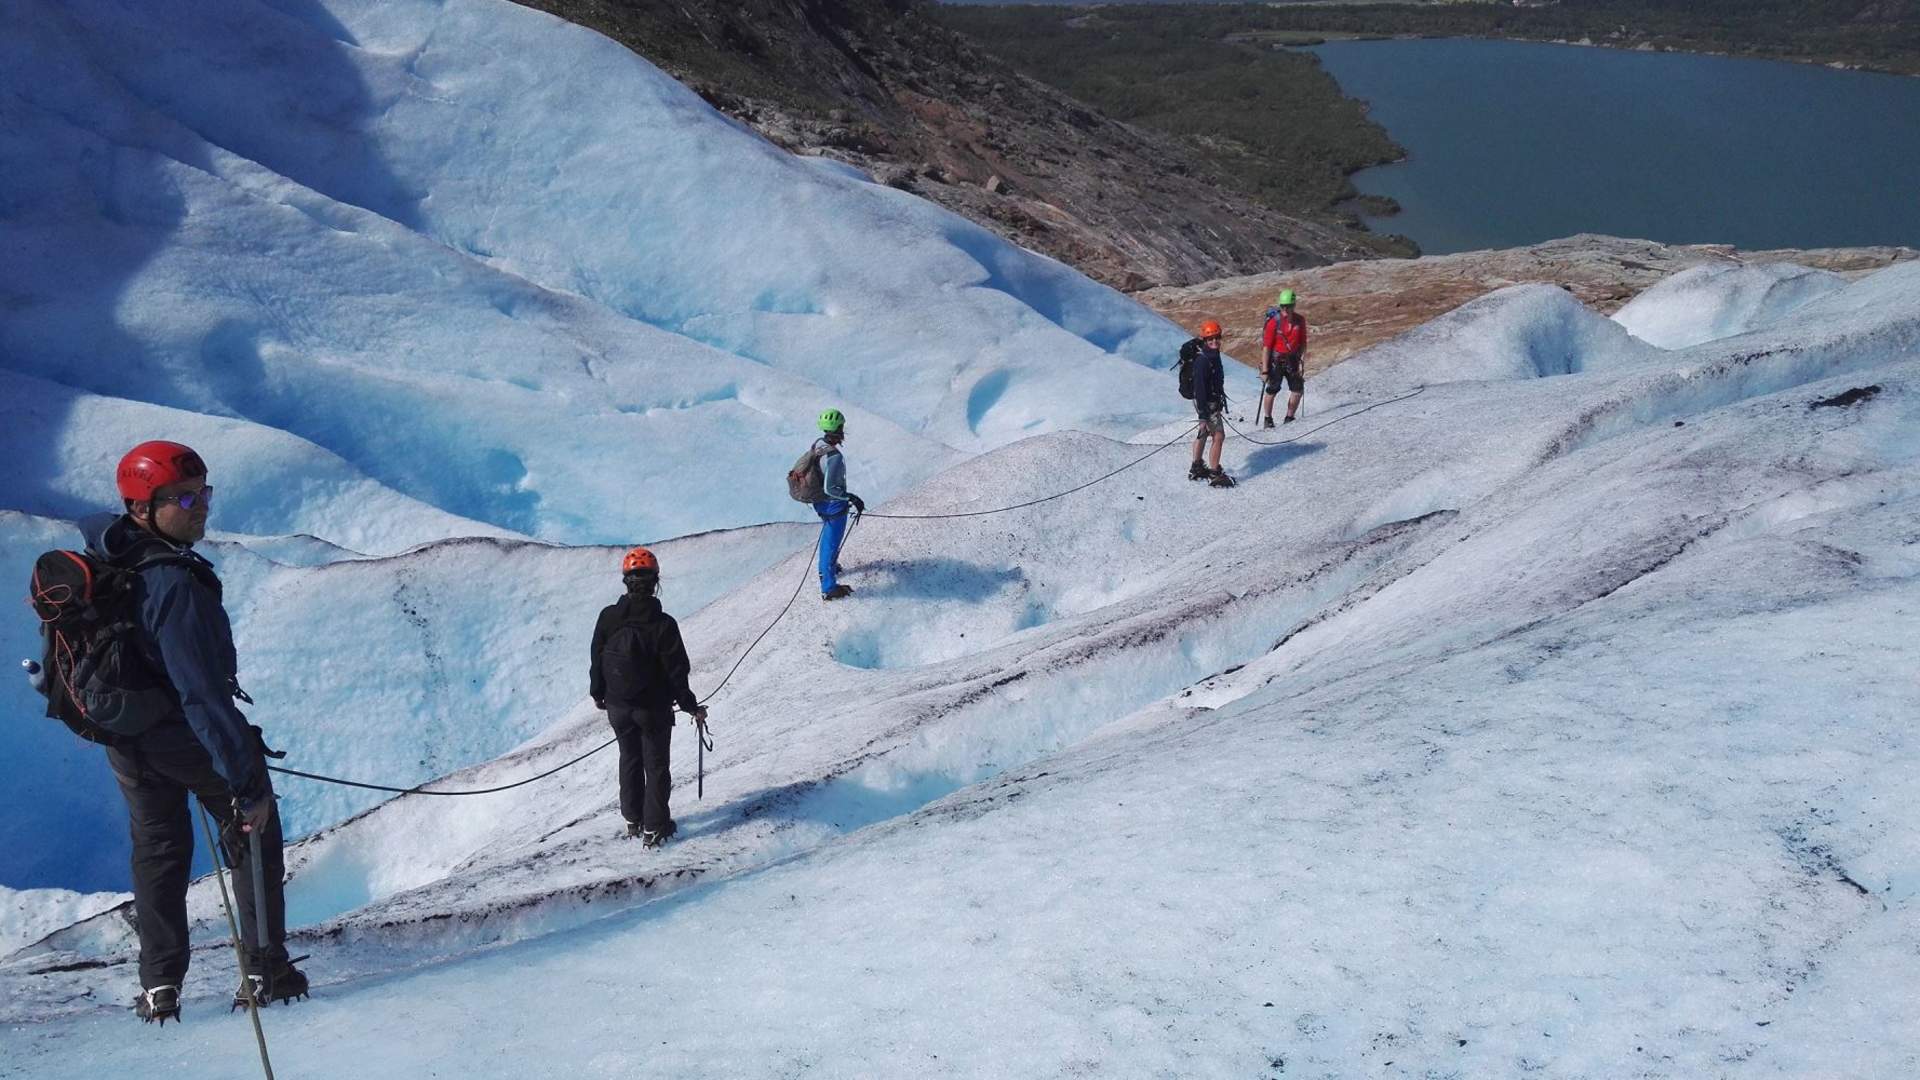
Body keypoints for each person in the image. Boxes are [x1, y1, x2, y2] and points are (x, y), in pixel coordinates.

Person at [81, 441, 304, 1024]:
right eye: (184, 497)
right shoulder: (173, 583)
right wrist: (245, 776)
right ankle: (266, 970)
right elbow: (200, 692)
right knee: (253, 830)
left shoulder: (112, 557)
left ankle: (160, 987)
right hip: (182, 734)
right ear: (141, 507)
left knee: (158, 852)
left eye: (203, 492)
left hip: (127, 739)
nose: (200, 506)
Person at [590, 546, 706, 846]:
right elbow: (677, 672)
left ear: (626, 581)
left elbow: (597, 658)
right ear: (655, 581)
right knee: (655, 767)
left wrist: (598, 694)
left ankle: (633, 820)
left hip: (618, 706)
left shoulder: (608, 617)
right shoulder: (664, 625)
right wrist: (691, 706)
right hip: (653, 709)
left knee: (629, 759)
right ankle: (656, 828)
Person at [810, 409, 865, 600]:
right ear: (840, 428)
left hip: (819, 503)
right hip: (832, 505)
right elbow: (830, 489)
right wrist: (850, 497)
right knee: (831, 542)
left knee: (828, 538)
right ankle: (829, 587)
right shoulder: (834, 456)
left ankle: (827, 569)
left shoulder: (818, 445)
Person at [1186, 321, 1234, 488]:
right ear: (1205, 340)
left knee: (1204, 432)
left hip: (1208, 402)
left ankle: (1197, 467)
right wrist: (1203, 415)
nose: (1214, 341)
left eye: (1216, 337)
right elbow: (1200, 389)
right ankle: (1214, 474)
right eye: (1210, 338)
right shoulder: (1203, 361)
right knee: (1219, 436)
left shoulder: (1211, 355)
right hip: (1207, 403)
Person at [1260, 289, 1308, 427]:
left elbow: (1303, 342)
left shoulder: (1300, 321)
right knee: (1272, 389)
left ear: (1293, 305)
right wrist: (1265, 370)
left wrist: (1302, 362)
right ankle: (1268, 419)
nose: (1285, 309)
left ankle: (1289, 417)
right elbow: (1267, 347)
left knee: (1297, 389)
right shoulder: (1273, 323)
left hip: (1293, 359)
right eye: (1283, 306)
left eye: (1288, 306)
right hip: (1276, 360)